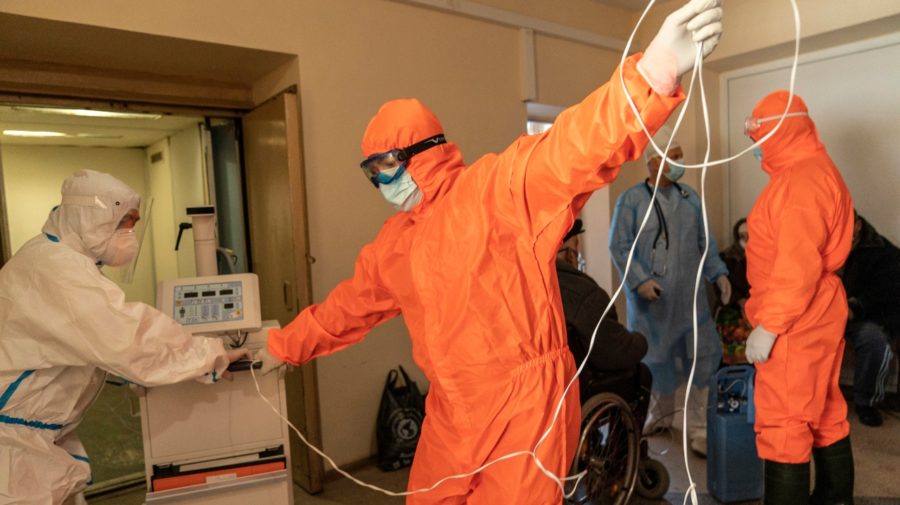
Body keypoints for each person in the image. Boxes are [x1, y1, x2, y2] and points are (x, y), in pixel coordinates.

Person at [256, 1, 724, 502]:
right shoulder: (396, 243)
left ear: (421, 153)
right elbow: (347, 308)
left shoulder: (497, 192)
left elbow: (572, 148)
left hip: (525, 410)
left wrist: (651, 76)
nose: (380, 182)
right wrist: (281, 347)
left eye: (385, 167)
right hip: (451, 410)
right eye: (370, 172)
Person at [0, 169, 247, 505]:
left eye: (134, 223)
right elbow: (128, 337)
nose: (129, 233)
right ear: (90, 218)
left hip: (33, 436)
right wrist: (208, 356)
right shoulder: (56, 269)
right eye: (124, 222)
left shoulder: (55, 257)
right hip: (12, 445)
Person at [742, 91, 855, 505]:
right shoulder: (814, 169)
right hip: (818, 310)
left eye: (757, 134)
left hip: (796, 318)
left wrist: (770, 326)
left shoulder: (799, 183)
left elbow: (796, 265)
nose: (754, 144)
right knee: (824, 410)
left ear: (777, 131)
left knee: (785, 422)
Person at [609, 125, 730, 456]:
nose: (680, 163)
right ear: (653, 162)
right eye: (673, 157)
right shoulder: (631, 201)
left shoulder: (690, 199)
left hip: (691, 304)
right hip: (653, 306)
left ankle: (700, 430)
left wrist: (719, 274)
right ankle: (659, 417)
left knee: (701, 361)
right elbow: (619, 247)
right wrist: (639, 281)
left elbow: (706, 244)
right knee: (655, 363)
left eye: (680, 156)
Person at [557, 219, 648, 383]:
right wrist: (641, 340)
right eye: (576, 248)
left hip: (538, 387)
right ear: (570, 255)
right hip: (577, 386)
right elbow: (617, 350)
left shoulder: (522, 286)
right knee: (643, 375)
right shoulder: (583, 294)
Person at [840, 211, 899, 427]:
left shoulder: (884, 253)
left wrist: (855, 307)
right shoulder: (818, 244)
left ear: (858, 225)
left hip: (861, 315)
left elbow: (886, 293)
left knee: (874, 341)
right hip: (823, 313)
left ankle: (866, 403)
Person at [716, 218, 752, 364]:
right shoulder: (726, 257)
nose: (746, 237)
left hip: (760, 306)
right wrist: (740, 301)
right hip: (733, 307)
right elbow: (721, 288)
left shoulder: (766, 255)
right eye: (743, 234)